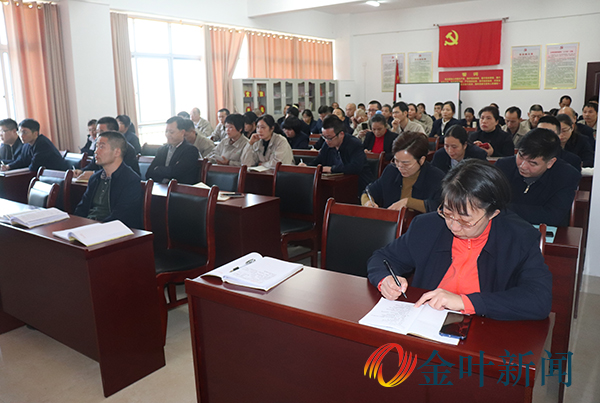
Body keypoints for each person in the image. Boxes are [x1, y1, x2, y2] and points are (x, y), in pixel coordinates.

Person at [367, 159, 552, 321]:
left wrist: (465, 302)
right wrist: (385, 280)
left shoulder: (519, 237)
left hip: (485, 328)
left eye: (465, 221)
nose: (454, 226)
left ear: (493, 213)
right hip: (425, 321)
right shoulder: (427, 226)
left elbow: (538, 299)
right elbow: (383, 258)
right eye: (447, 213)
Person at [495, 128, 580, 227]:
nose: (523, 166)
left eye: (532, 163)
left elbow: (553, 216)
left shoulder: (566, 176)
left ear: (550, 162)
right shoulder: (503, 166)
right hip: (502, 226)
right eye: (520, 156)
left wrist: (504, 209)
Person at [74, 131, 143, 229]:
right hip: (91, 227)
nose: (96, 151)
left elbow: (121, 216)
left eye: (101, 147)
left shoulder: (130, 180)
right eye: (96, 146)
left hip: (114, 230)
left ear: (117, 152)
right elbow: (82, 208)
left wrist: (94, 228)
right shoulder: (95, 178)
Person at [362, 131, 443, 213]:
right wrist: (367, 202)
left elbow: (440, 207)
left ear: (421, 160)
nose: (400, 167)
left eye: (406, 163)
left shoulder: (436, 177)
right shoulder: (391, 170)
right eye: (396, 161)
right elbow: (369, 192)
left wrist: (409, 202)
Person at [301, 114, 374, 196]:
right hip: (334, 185)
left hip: (358, 186)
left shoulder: (354, 144)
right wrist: (306, 167)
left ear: (341, 134)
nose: (327, 141)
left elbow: (355, 167)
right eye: (324, 137)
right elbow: (318, 161)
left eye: (329, 138)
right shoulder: (327, 144)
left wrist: (331, 169)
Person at [1, 119, 69, 172]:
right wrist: (8, 166)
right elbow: (21, 160)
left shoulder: (42, 144)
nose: (21, 136)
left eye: (24, 132)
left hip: (57, 176)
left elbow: (34, 167)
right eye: (20, 132)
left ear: (35, 133)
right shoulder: (26, 145)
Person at [147, 116, 199, 184]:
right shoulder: (161, 150)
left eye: (171, 132)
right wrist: (165, 174)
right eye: (166, 131)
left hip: (180, 188)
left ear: (182, 132)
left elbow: (177, 173)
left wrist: (158, 169)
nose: (168, 135)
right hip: (161, 186)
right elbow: (149, 173)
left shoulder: (190, 150)